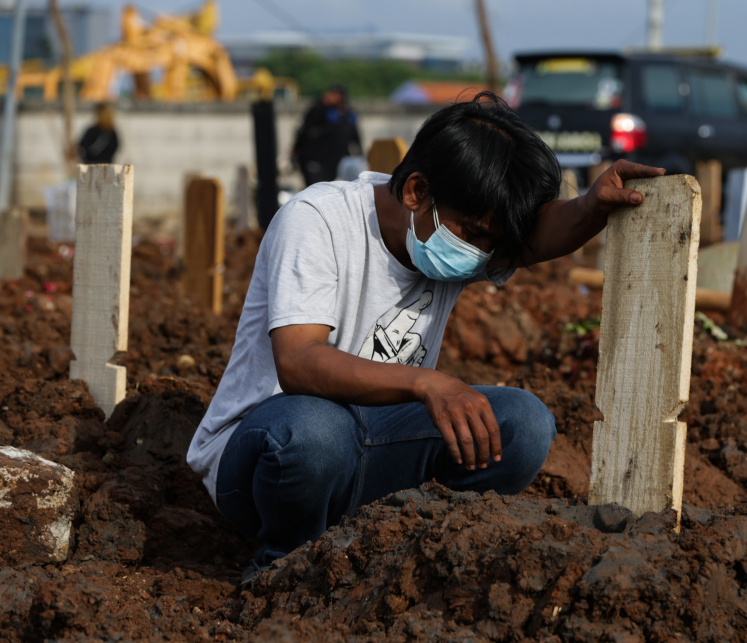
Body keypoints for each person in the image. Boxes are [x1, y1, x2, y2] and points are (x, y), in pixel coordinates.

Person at [186, 92, 664, 576]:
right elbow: (299, 360)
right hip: (267, 459)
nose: (481, 254)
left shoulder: (451, 235)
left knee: (523, 424)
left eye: (492, 242)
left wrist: (589, 206)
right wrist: (425, 383)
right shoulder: (320, 220)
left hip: (373, 447)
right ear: (417, 191)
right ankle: (283, 566)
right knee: (315, 431)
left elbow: (536, 238)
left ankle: (409, 551)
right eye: (474, 233)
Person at [292, 84, 362, 186]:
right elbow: (305, 130)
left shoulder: (348, 115)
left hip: (337, 161)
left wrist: (360, 156)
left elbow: (355, 137)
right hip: (315, 158)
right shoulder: (319, 110)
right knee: (316, 188)